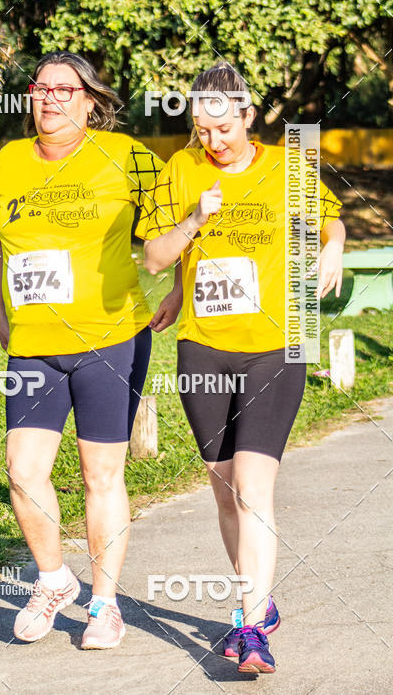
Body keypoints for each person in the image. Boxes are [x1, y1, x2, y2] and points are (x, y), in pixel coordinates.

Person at [136, 62, 344, 674]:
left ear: (249, 116)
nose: (214, 141)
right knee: (226, 491)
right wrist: (194, 222)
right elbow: (155, 257)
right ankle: (259, 598)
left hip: (274, 348)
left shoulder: (285, 167)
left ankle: (249, 628)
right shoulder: (180, 170)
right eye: (202, 130)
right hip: (203, 349)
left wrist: (333, 245)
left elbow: (329, 217)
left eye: (224, 128)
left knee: (253, 489)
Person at [0, 51, 178, 649]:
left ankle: (104, 605)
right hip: (34, 343)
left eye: (64, 90)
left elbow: (176, 222)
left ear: (91, 101)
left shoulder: (126, 156)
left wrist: (178, 290)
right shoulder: (8, 161)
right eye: (40, 88)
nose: (49, 99)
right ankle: (52, 581)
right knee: (23, 471)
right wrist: (0, 316)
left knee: (101, 474)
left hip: (110, 338)